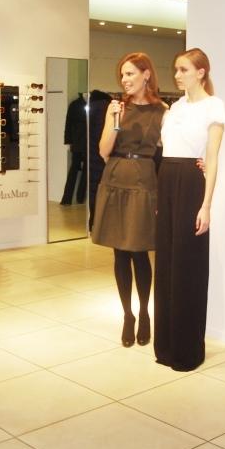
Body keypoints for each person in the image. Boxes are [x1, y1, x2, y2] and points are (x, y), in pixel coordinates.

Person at [154, 47, 225, 371]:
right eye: (176, 69)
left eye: (183, 69)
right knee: (167, 265)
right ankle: (166, 347)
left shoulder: (214, 106)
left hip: (190, 185)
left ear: (201, 72)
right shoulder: (175, 107)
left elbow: (211, 159)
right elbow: (166, 150)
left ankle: (187, 351)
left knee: (188, 267)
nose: (177, 75)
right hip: (167, 180)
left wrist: (206, 205)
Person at [92, 52, 166, 347]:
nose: (124, 79)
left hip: (143, 180)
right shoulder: (116, 108)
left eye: (130, 73)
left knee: (138, 250)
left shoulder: (163, 111)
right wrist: (116, 120)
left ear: (146, 74)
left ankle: (145, 312)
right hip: (115, 177)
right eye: (122, 75)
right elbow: (103, 150)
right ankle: (127, 315)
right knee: (119, 252)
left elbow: (170, 149)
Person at [88, 89, 112, 230]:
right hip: (101, 155)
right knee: (100, 190)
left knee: (93, 189)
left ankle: (93, 222)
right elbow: (102, 134)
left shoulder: (91, 108)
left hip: (90, 153)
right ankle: (97, 222)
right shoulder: (105, 107)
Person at [60, 93, 87, 205]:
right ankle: (68, 199)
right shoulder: (75, 105)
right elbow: (68, 123)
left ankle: (80, 198)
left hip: (86, 143)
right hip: (78, 143)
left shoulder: (88, 104)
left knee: (86, 171)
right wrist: (69, 141)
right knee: (74, 169)